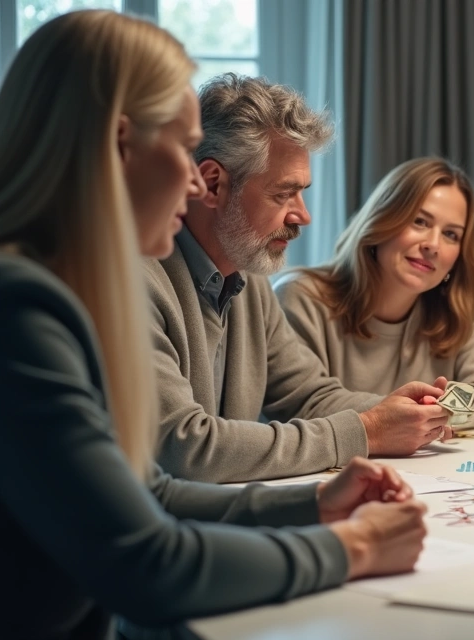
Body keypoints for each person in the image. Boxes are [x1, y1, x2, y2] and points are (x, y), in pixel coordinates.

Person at [0, 11, 427, 638]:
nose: (193, 175)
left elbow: (151, 493)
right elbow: (146, 560)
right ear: (119, 146)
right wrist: (352, 550)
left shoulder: (59, 283)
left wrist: (313, 503)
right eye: (180, 146)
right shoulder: (22, 307)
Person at [145, 74, 452, 484]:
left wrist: (399, 411)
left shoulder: (247, 276)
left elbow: (309, 395)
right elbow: (185, 448)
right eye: (282, 194)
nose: (301, 215)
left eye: (302, 192)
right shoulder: (137, 280)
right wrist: (367, 431)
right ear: (213, 183)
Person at [275, 157, 474, 427]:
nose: (433, 245)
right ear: (381, 220)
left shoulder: (464, 305)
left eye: (451, 235)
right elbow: (303, 404)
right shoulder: (299, 297)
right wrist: (410, 413)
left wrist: (421, 413)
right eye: (420, 221)